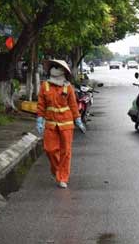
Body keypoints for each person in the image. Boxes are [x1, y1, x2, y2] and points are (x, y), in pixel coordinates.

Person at [36, 59, 86, 189]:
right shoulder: (45, 86)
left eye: (58, 68)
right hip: (51, 124)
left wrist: (78, 119)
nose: (55, 69)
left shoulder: (67, 87)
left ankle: (63, 177)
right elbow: (41, 104)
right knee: (49, 150)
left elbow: (73, 105)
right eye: (54, 67)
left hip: (66, 124)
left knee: (66, 152)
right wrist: (39, 119)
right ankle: (58, 170)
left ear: (63, 71)